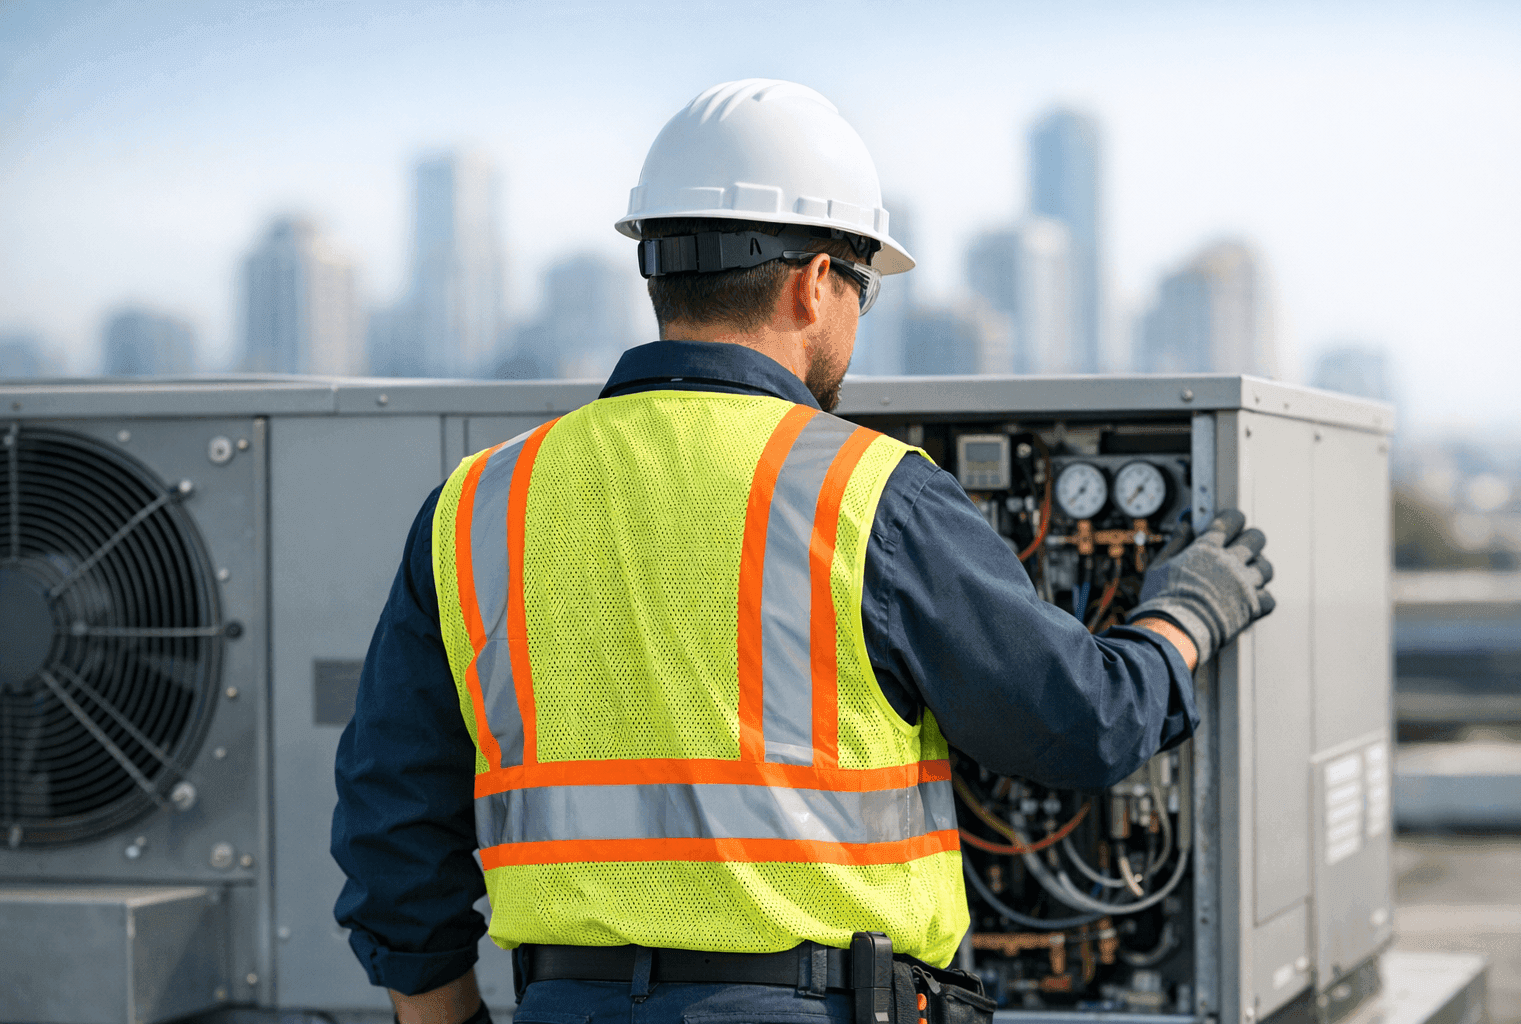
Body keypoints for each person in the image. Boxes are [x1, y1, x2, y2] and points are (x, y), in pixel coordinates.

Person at [332, 79, 1275, 1024]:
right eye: (862, 287)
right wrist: (1185, 614)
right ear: (814, 281)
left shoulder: (479, 504)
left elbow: (392, 818)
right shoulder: (867, 492)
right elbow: (1081, 720)